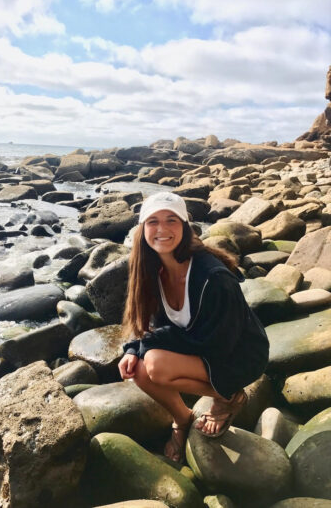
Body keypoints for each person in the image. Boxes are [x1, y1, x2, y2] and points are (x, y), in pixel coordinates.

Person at [118, 191, 269, 462]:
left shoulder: (214, 278)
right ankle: (182, 418)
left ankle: (228, 396)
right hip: (201, 346)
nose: (162, 229)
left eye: (171, 220)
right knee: (137, 370)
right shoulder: (150, 268)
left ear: (185, 227)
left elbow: (217, 343)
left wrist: (148, 345)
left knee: (155, 364)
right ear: (142, 229)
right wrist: (132, 348)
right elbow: (146, 320)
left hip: (237, 354)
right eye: (153, 221)